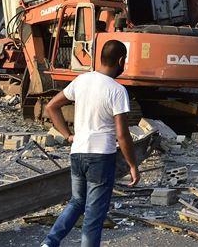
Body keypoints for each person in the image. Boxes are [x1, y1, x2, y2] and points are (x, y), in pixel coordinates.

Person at [42, 40, 140, 247]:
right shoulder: (117, 90)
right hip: (100, 157)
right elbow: (122, 135)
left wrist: (68, 135)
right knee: (93, 218)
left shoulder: (82, 80)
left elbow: (51, 106)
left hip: (77, 153)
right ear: (121, 61)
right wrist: (132, 165)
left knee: (77, 202)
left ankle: (49, 243)